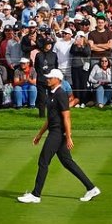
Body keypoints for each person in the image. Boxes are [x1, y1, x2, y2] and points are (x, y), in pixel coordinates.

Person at [18, 69, 99, 204]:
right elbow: (50, 118)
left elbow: (66, 117)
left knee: (43, 161)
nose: (48, 79)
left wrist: (68, 136)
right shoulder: (51, 94)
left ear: (57, 79)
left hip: (57, 134)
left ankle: (36, 195)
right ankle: (91, 188)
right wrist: (39, 134)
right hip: (53, 131)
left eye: (50, 77)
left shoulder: (61, 94)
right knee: (67, 162)